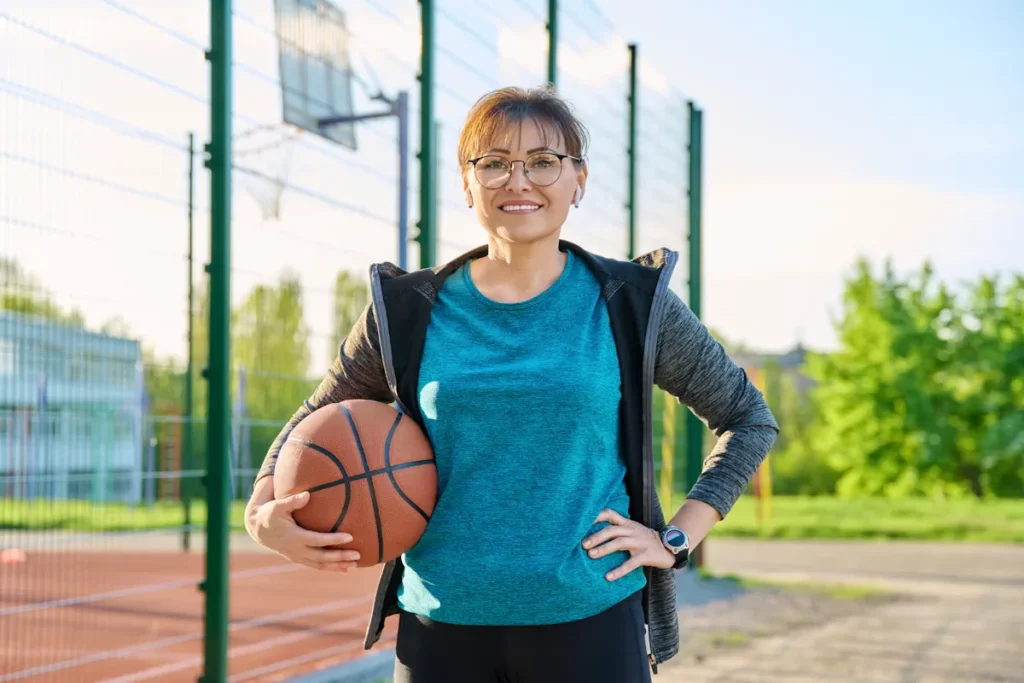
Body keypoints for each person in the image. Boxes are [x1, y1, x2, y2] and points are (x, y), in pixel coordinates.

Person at [244, 86, 779, 683]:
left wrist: (677, 537)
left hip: (591, 619)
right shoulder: (407, 312)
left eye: (543, 162)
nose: (517, 181)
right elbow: (311, 420)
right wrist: (262, 512)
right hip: (440, 630)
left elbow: (748, 418)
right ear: (467, 183)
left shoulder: (631, 303)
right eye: (493, 163)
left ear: (578, 180)